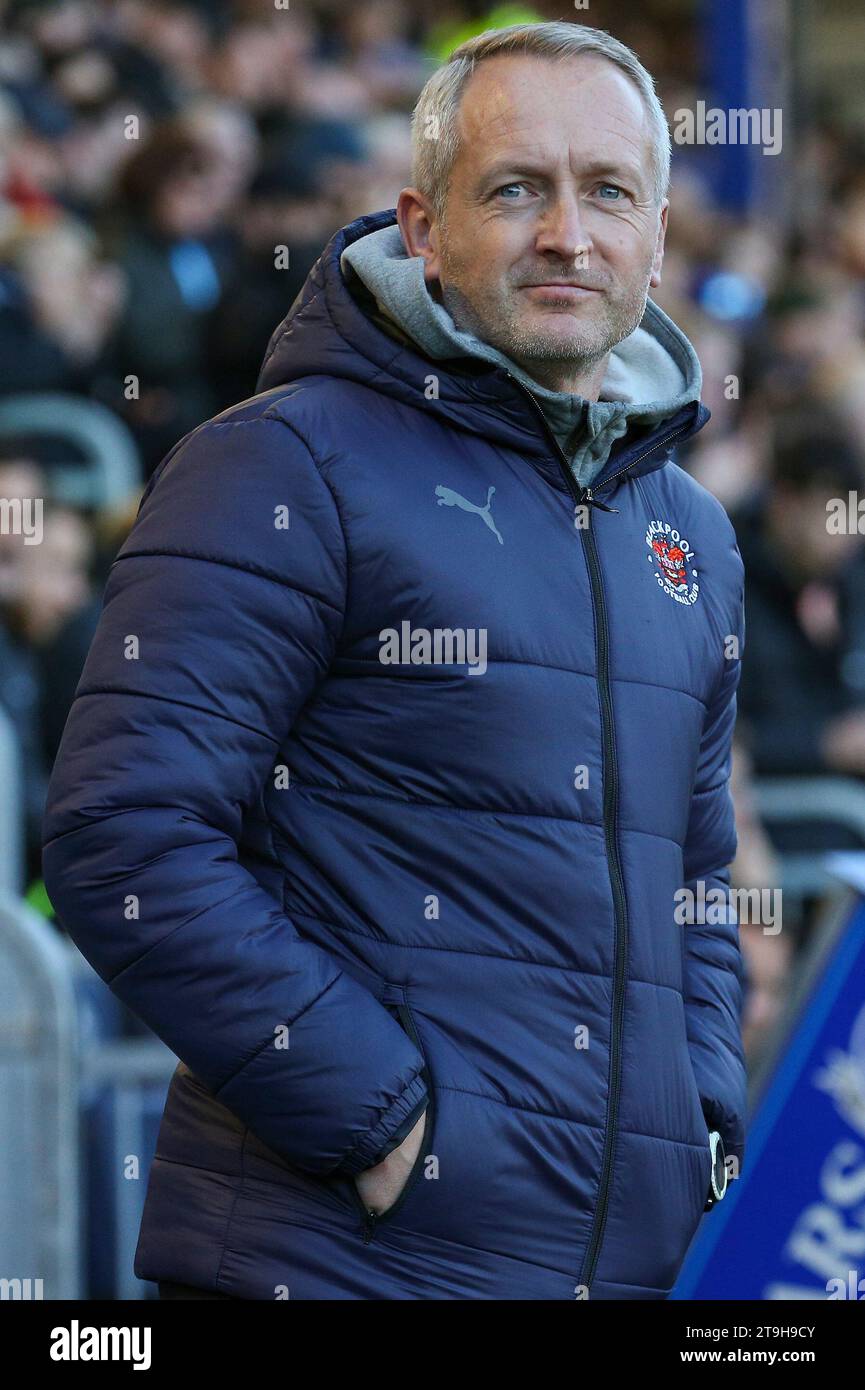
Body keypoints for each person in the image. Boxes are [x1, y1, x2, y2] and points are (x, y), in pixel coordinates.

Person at [43, 22, 748, 1301]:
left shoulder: (688, 533)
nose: (566, 236)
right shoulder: (280, 464)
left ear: (657, 235)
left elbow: (696, 870)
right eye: (515, 188)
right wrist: (384, 1130)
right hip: (337, 1266)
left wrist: (695, 1108)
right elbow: (125, 833)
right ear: (422, 225)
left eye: (608, 193)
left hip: (616, 1268)